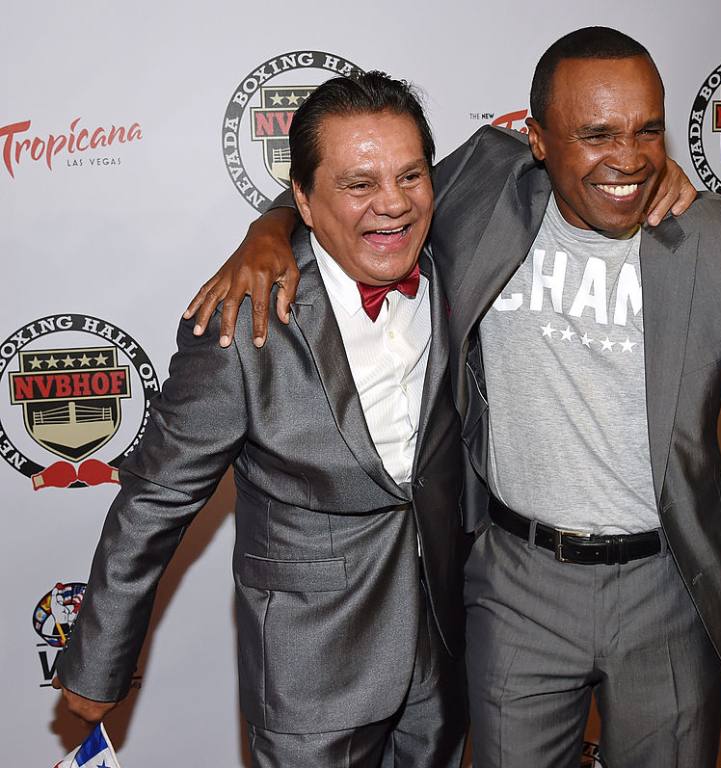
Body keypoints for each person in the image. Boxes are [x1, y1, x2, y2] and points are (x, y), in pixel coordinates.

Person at [186, 28, 721, 768]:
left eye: (647, 130)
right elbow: (354, 187)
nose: (630, 156)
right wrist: (266, 230)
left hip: (667, 588)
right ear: (537, 139)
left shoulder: (718, 240)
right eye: (597, 133)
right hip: (514, 584)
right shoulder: (483, 187)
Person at [54, 72, 468, 768]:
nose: (393, 205)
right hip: (312, 669)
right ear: (302, 200)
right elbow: (155, 499)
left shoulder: (461, 259)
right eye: (359, 185)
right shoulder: (240, 323)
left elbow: (578, 155)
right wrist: (97, 666)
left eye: (410, 176)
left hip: (446, 652)